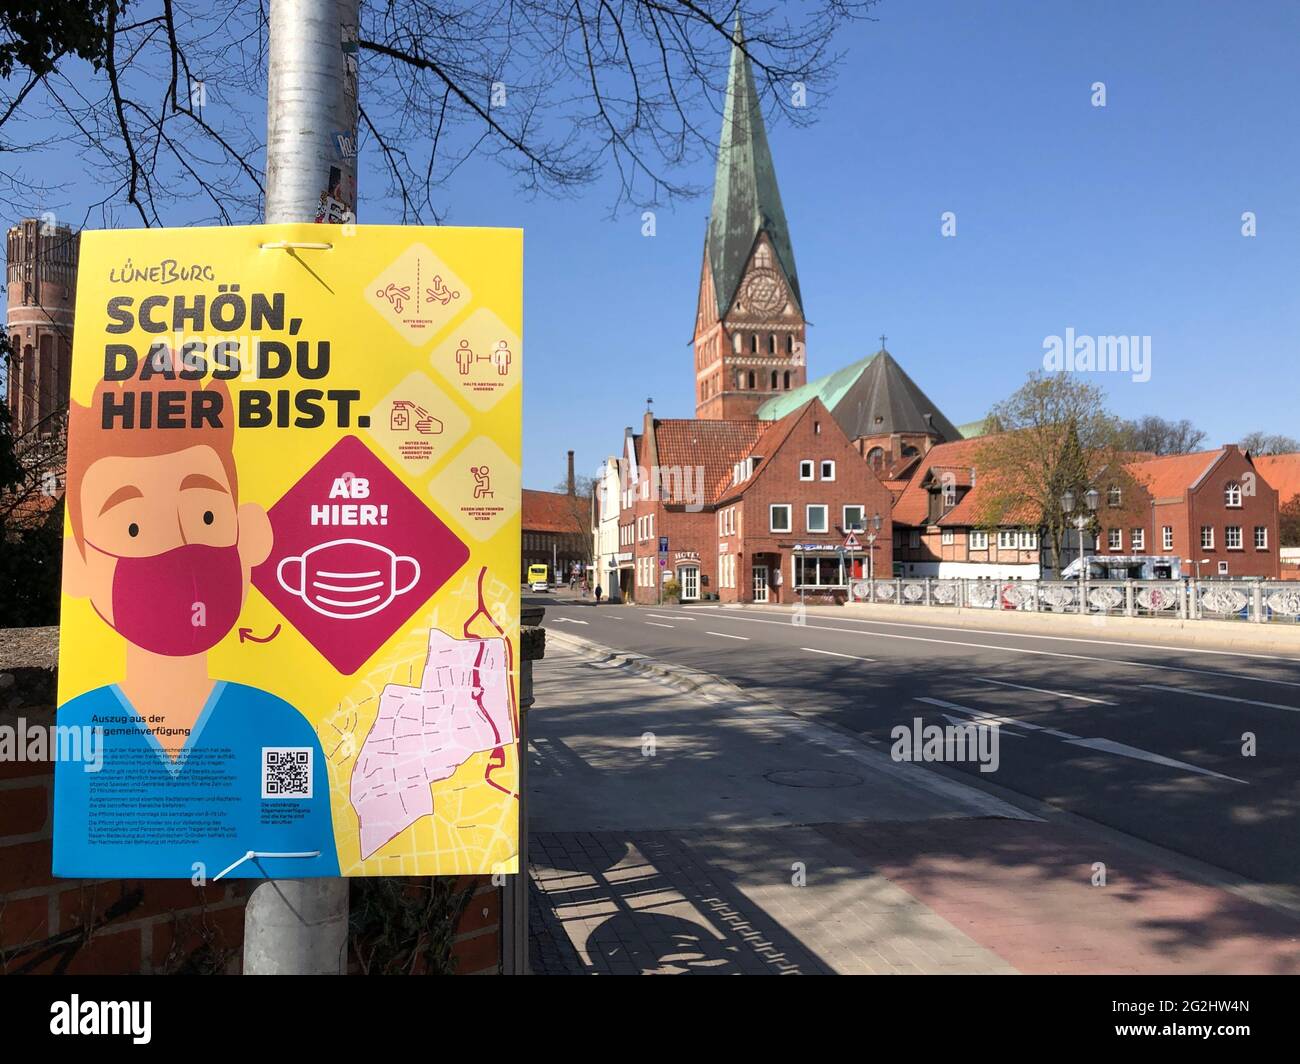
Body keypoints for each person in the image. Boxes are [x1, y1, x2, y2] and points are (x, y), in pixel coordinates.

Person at [54, 371, 339, 879]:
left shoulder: (286, 727)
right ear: (76, 563)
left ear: (247, 533)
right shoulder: (82, 725)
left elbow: (298, 844)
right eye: (133, 527)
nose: (178, 548)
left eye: (206, 515)